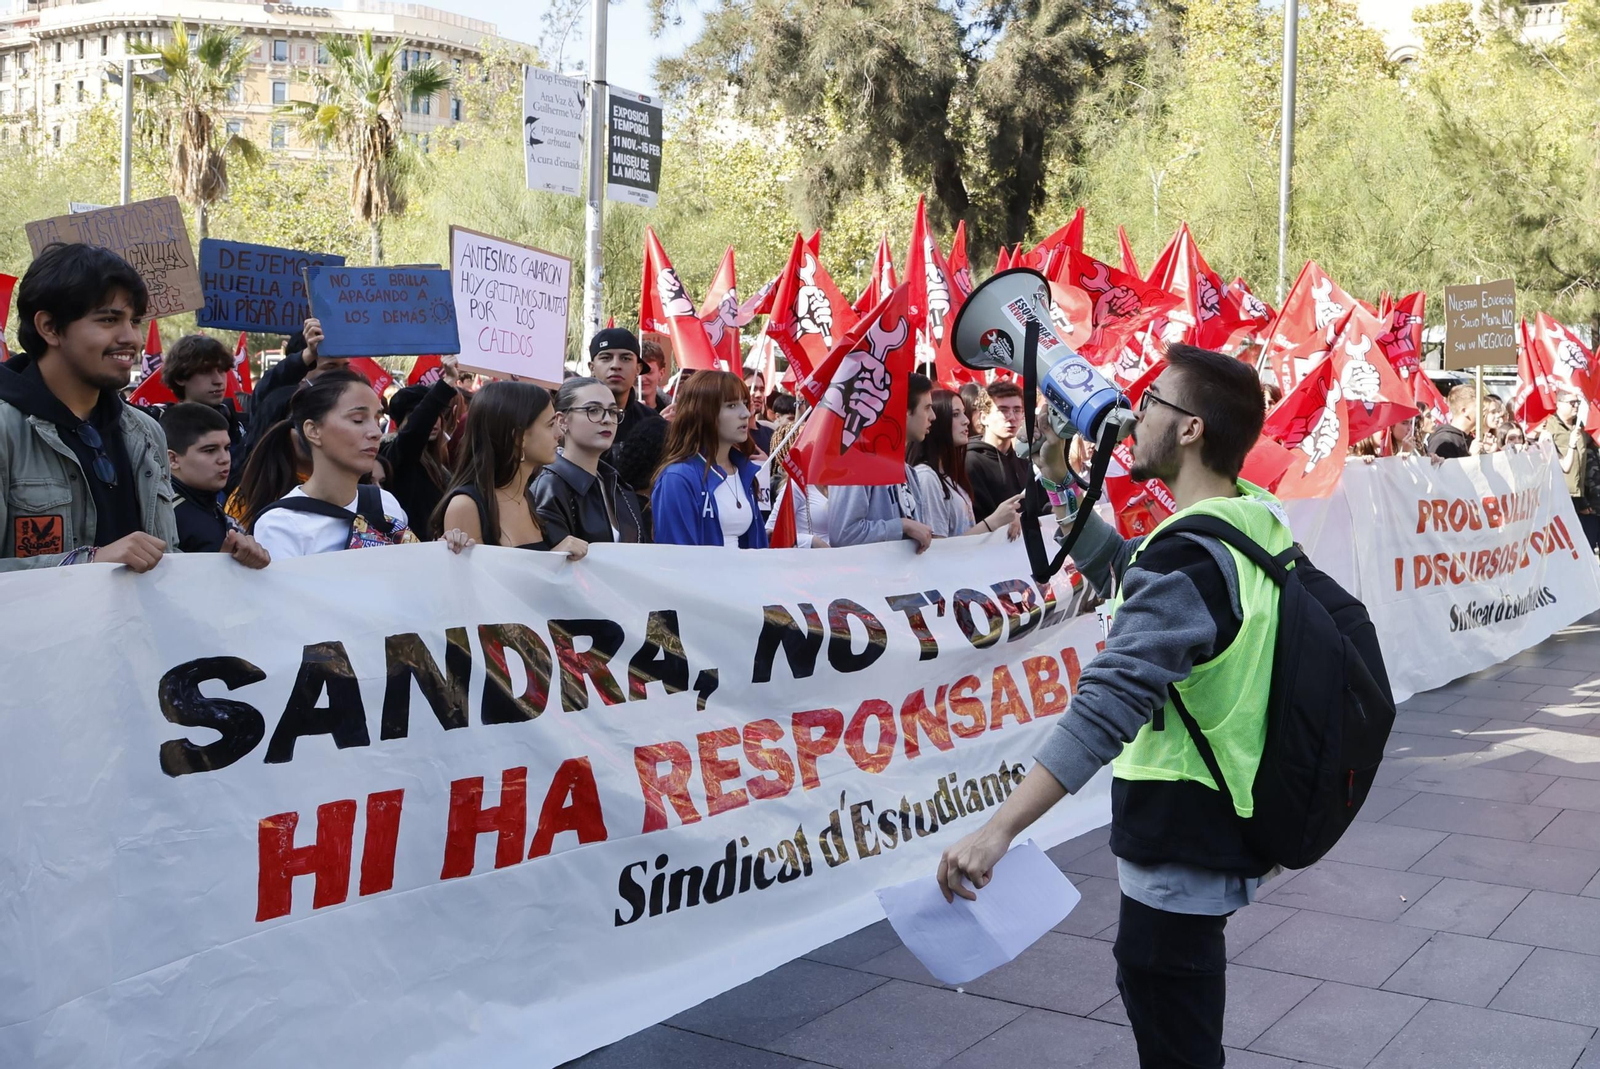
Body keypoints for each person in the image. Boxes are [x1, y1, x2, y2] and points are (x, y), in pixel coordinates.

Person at [938, 344, 1290, 1069]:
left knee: (1177, 1042)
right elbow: (1132, 572)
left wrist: (997, 830)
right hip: (1223, 818)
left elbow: (1109, 700)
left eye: (1154, 401)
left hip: (1181, 832)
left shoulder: (1187, 555)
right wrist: (1064, 484)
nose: (1134, 415)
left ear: (1190, 428)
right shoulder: (1247, 520)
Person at [0, 242, 178, 571]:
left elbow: (167, 555)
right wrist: (90, 564)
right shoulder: (6, 431)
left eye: (135, 321)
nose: (132, 338)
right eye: (109, 320)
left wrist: (224, 556)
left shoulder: (147, 432)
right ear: (49, 328)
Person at [243, 369, 417, 558]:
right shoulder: (281, 525)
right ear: (313, 430)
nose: (375, 432)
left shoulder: (386, 504)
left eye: (378, 419)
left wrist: (444, 553)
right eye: (358, 420)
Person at [432, 380, 586, 558]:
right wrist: (552, 559)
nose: (559, 433)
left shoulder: (524, 495)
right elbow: (478, 583)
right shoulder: (466, 506)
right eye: (550, 424)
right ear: (518, 437)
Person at [651, 370, 769, 548]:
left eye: (745, 403)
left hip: (746, 575)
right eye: (731, 405)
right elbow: (678, 560)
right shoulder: (677, 478)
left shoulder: (746, 470)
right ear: (702, 412)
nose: (746, 413)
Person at [829, 373, 936, 552]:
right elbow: (843, 534)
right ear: (905, 410)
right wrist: (902, 525)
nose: (933, 416)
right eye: (927, 408)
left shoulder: (909, 472)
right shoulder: (857, 463)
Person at [531, 376, 644, 545]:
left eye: (613, 411)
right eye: (593, 410)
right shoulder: (550, 487)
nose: (607, 419)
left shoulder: (616, 484)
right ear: (562, 420)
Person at [160, 402, 270, 565]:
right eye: (210, 450)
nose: (224, 459)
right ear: (173, 459)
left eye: (227, 448)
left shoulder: (206, 503)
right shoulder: (168, 517)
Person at [911, 388, 1022, 538]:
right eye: (955, 414)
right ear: (936, 421)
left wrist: (1005, 521)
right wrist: (994, 521)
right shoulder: (927, 477)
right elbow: (937, 550)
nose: (966, 420)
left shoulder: (946, 473)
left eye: (963, 412)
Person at [379, 354, 462, 539]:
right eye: (426, 417)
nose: (433, 422)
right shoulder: (397, 454)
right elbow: (414, 434)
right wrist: (447, 382)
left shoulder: (440, 464)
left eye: (437, 416)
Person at [161, 333, 248, 491]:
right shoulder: (158, 428)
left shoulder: (242, 423)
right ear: (181, 377)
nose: (218, 380)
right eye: (206, 371)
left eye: (222, 370)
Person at [245, 317, 349, 448]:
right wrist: (309, 353)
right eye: (330, 367)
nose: (342, 374)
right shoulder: (278, 405)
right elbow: (269, 385)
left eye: (346, 366)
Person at [590, 326, 667, 489]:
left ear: (638, 368)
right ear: (592, 367)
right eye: (606, 358)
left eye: (625, 358)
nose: (615, 365)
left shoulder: (651, 421)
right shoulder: (572, 418)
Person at [964, 378, 1032, 520]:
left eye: (1017, 410)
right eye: (1003, 410)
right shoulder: (970, 461)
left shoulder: (1023, 459)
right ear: (984, 417)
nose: (1012, 417)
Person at [1540, 392, 1598, 550]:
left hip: (1578, 494)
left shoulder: (1581, 426)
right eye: (1572, 402)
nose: (1576, 406)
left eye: (1578, 402)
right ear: (1558, 403)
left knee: (1579, 546)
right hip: (1557, 493)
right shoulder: (1549, 426)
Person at [1426, 384, 1476, 458]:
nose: (1484, 410)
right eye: (1479, 407)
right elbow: (1444, 469)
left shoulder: (1469, 439)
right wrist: (1472, 455)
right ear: (1464, 411)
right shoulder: (1443, 441)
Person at [639, 340, 669, 412]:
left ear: (661, 373)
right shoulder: (618, 411)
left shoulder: (671, 413)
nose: (642, 379)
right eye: (638, 372)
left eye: (649, 372)